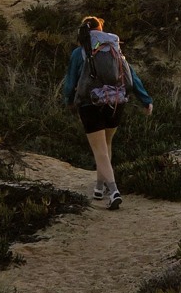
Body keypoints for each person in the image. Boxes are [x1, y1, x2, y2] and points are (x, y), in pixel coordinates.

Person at [63, 15, 153, 210]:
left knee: (99, 150)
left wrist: (69, 101)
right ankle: (99, 186)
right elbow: (131, 75)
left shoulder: (80, 53)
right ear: (100, 30)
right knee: (107, 144)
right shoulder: (114, 49)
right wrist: (145, 99)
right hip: (116, 102)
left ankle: (113, 191)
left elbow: (70, 82)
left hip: (90, 103)